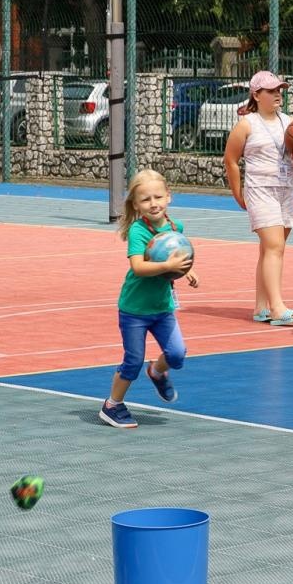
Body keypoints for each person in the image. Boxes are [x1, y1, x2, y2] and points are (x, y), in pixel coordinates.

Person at [100, 170, 197, 429]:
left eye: (158, 197)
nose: (153, 203)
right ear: (136, 204)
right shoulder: (138, 231)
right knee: (132, 361)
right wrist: (169, 264)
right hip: (135, 309)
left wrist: (186, 270)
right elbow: (139, 268)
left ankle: (157, 371)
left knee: (177, 354)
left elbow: (178, 257)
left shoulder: (176, 228)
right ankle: (112, 405)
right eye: (146, 200)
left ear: (169, 197)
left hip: (162, 307)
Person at [222, 70, 293, 326]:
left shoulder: (289, 122)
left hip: (286, 188)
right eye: (271, 91)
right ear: (256, 95)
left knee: (269, 250)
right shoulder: (247, 124)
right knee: (274, 247)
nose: (277, 94)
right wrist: (238, 193)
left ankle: (261, 307)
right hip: (260, 189)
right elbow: (230, 160)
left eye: (279, 90)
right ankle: (278, 308)